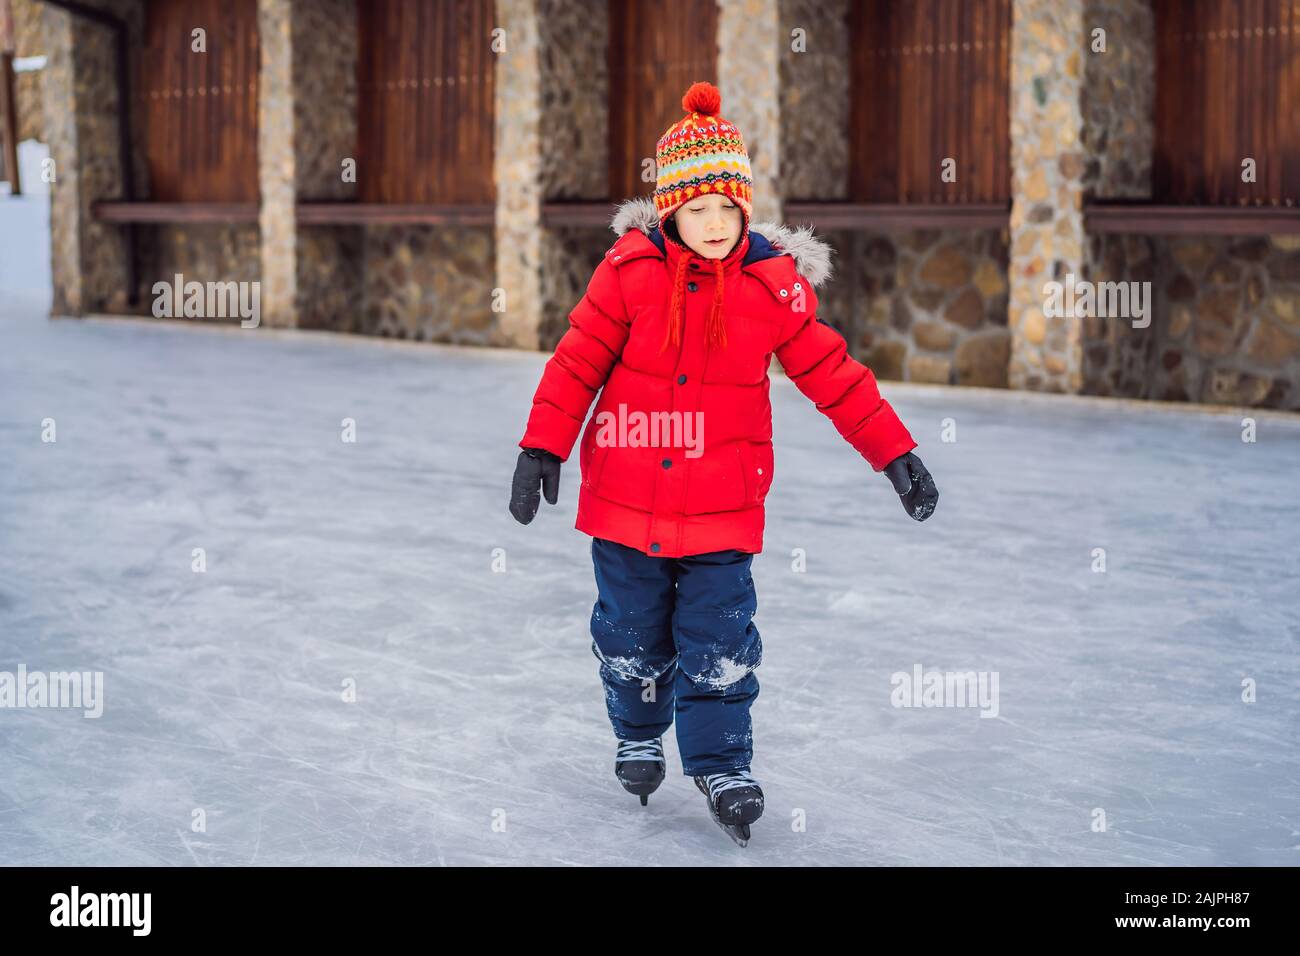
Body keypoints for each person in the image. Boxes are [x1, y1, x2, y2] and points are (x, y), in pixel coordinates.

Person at [509, 81, 937, 844]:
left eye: (727, 207)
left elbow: (833, 374)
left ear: (746, 208)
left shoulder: (773, 289)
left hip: (722, 513)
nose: (714, 223)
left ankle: (722, 763)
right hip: (626, 504)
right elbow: (576, 361)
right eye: (697, 208)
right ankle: (638, 733)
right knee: (631, 635)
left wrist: (894, 452)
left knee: (720, 644)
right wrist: (544, 443)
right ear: (670, 209)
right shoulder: (629, 274)